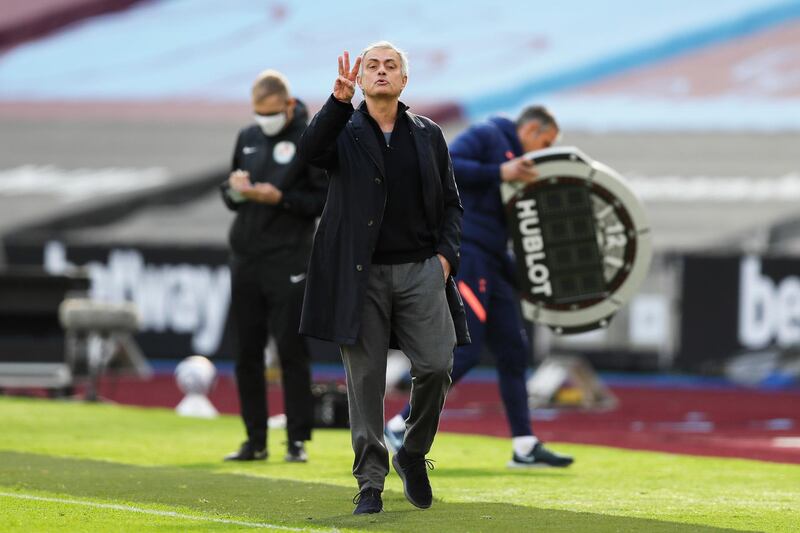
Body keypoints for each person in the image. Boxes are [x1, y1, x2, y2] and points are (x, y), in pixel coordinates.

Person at [297, 42, 469, 515]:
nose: (380, 72)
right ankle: (370, 481)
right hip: (360, 273)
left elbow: (452, 203)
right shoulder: (344, 128)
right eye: (372, 66)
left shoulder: (429, 134)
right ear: (362, 77)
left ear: (404, 80)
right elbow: (310, 153)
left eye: (390, 66)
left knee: (437, 365)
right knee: (366, 379)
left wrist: (445, 259)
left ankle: (411, 453)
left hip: (421, 269)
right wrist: (336, 102)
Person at [384, 106, 574, 469]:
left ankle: (524, 445)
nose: (541, 152)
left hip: (491, 259)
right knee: (465, 349)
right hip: (468, 253)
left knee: (514, 349)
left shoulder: (520, 163)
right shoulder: (488, 135)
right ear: (532, 128)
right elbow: (448, 164)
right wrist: (499, 171)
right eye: (543, 142)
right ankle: (400, 424)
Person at [220, 70, 327, 464]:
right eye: (256, 112)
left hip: (289, 258)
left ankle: (297, 440)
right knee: (246, 352)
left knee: (290, 351)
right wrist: (236, 189)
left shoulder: (309, 138)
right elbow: (229, 194)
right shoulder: (248, 138)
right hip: (245, 257)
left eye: (268, 112)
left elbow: (321, 199)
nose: (262, 119)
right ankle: (254, 440)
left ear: (287, 104)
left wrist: (279, 197)